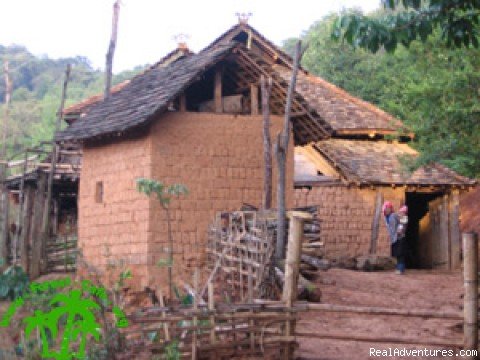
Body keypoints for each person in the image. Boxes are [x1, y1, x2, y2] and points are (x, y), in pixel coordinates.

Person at [383, 201, 404, 275]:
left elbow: (403, 220)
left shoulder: (394, 215)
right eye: (386, 208)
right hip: (393, 238)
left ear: (391, 209)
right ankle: (399, 268)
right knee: (396, 254)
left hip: (399, 237)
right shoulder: (385, 218)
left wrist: (400, 228)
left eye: (389, 208)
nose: (387, 209)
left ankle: (400, 269)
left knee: (400, 253)